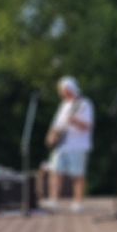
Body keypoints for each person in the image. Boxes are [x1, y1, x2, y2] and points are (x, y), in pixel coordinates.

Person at [41, 77, 94, 213]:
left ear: (69, 89)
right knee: (55, 172)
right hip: (61, 144)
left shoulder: (84, 104)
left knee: (78, 175)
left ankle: (78, 202)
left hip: (77, 145)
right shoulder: (63, 105)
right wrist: (51, 136)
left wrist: (74, 121)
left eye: (62, 90)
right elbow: (56, 124)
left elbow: (88, 126)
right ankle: (54, 200)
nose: (60, 92)